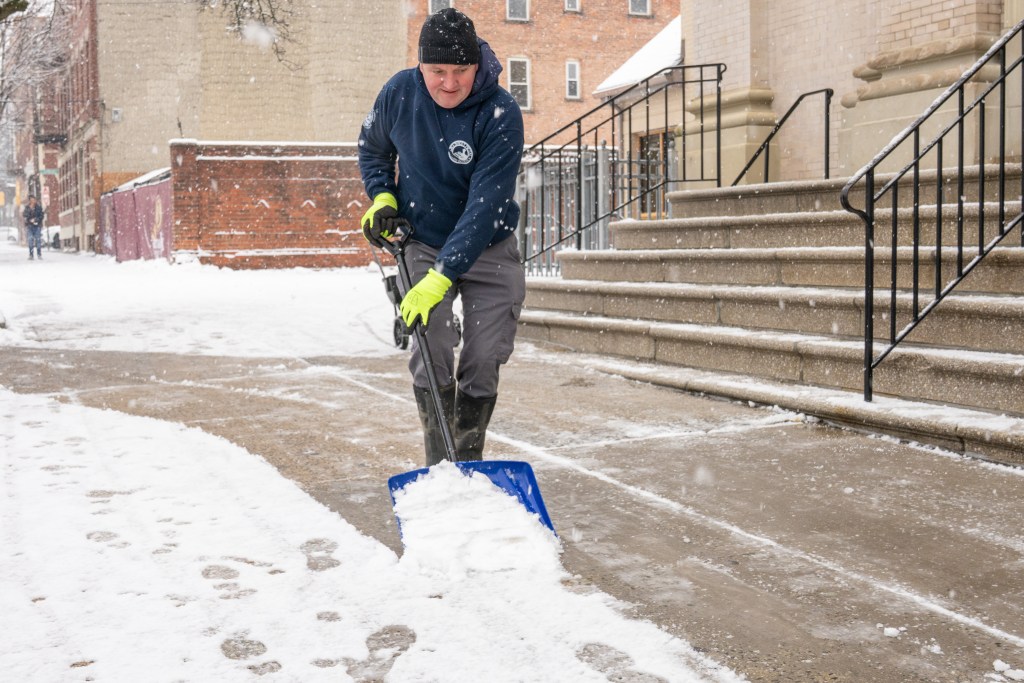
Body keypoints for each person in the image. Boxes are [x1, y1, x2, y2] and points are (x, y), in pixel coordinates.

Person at [358, 8, 525, 467]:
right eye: (437, 72)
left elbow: (485, 206)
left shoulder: (501, 112)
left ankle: (467, 460)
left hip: (489, 246)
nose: (449, 83)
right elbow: (373, 149)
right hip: (423, 239)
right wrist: (383, 198)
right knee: (429, 346)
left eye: (460, 71)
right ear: (421, 67)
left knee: (486, 353)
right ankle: (440, 464)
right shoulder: (398, 93)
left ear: (477, 65)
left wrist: (442, 275)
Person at [23, 195, 44, 260]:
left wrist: (36, 220)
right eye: (31, 200)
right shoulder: (27, 208)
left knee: (38, 241)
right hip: (29, 226)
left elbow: (41, 216)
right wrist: (29, 220)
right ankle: (31, 255)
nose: (33, 201)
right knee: (30, 240)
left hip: (37, 226)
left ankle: (39, 254)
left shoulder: (38, 207)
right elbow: (25, 216)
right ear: (29, 200)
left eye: (34, 200)